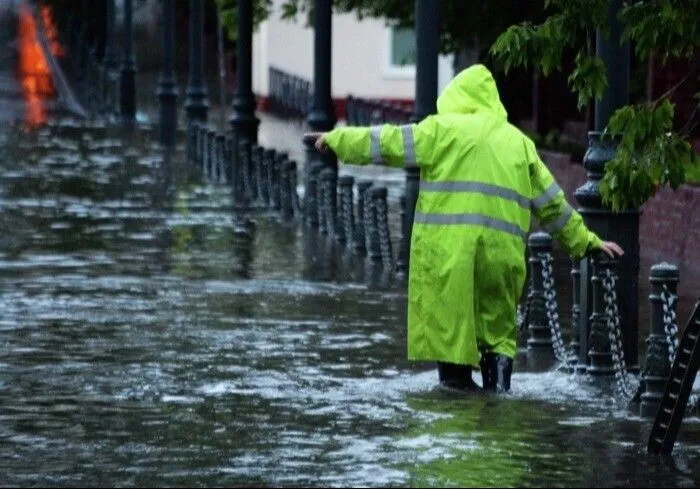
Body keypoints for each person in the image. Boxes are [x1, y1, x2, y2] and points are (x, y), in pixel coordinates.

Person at [304, 64, 624, 393]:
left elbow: (386, 142)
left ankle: (460, 416)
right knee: (499, 340)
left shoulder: (441, 130)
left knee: (451, 343)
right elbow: (553, 206)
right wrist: (587, 242)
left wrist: (336, 140)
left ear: (456, 97)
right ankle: (497, 406)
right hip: (502, 261)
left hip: (450, 260)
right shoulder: (519, 143)